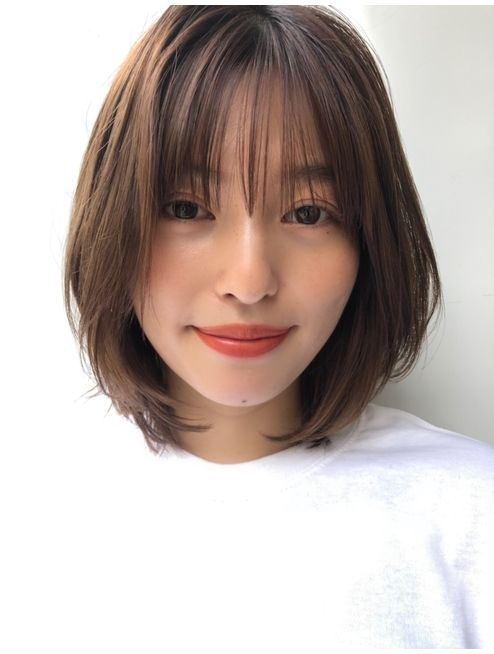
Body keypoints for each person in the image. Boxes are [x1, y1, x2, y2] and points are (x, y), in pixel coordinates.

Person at [63, 5, 494, 650]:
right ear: (113, 221)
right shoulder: (38, 510)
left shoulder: (470, 515)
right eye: (187, 207)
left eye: (308, 213)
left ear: (369, 243)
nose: (248, 280)